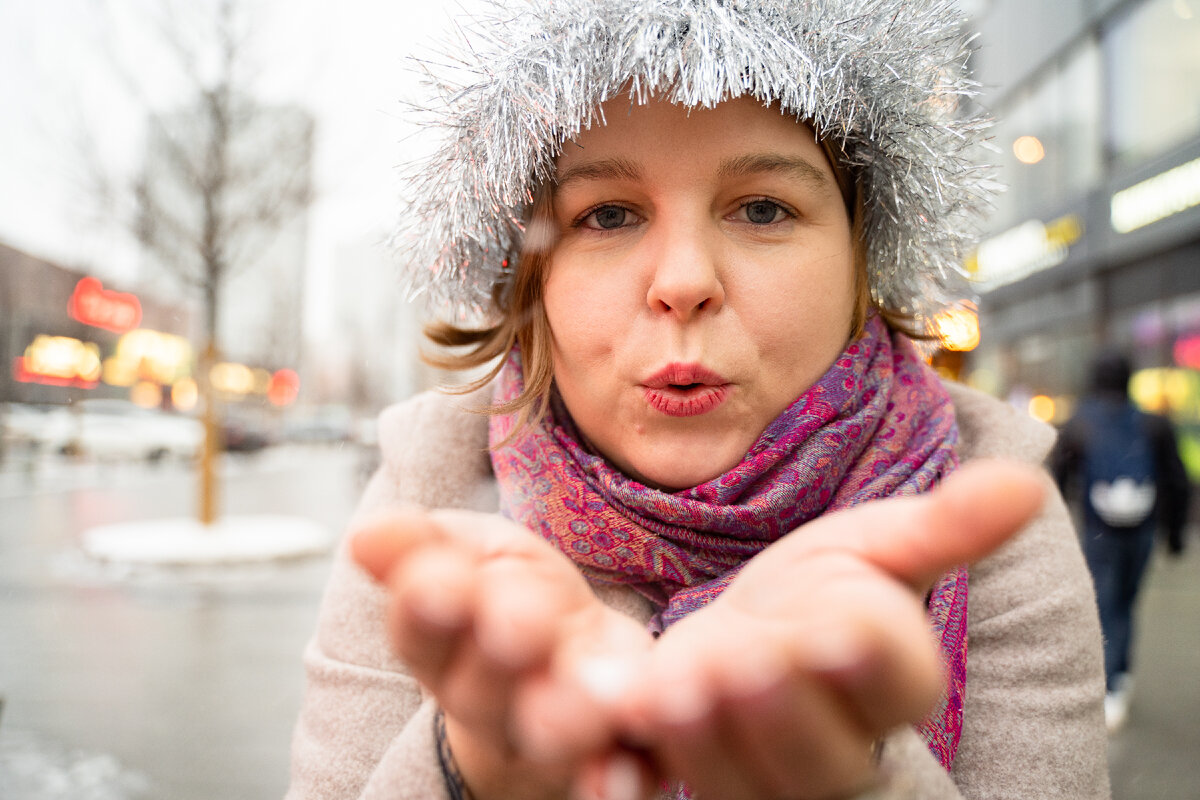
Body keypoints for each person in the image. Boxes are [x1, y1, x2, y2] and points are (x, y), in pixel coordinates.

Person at [287, 2, 1109, 798]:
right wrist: (476, 766)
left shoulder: (988, 508)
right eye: (607, 215)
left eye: (762, 208)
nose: (683, 281)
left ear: (863, 257)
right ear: (528, 276)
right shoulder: (427, 494)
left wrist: (847, 773)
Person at [1051, 349, 1190, 732]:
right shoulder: (1154, 424)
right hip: (1141, 530)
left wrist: (1057, 531)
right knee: (1126, 602)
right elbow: (1176, 482)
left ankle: (1108, 684)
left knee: (1104, 603)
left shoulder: (1079, 423)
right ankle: (1121, 676)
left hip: (1099, 531)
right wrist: (1175, 536)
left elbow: (1057, 480)